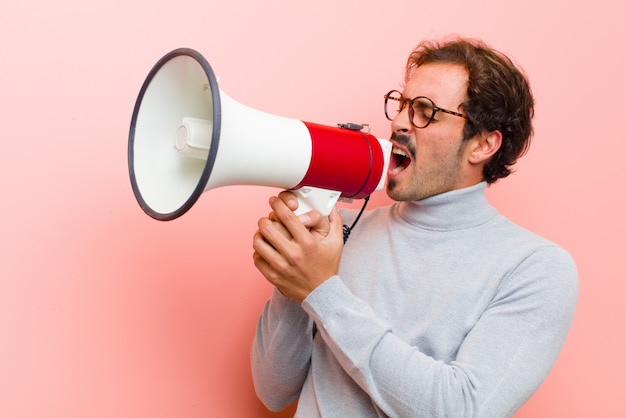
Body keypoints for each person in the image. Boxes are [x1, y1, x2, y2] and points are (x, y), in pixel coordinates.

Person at [250, 36, 578, 417]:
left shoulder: (536, 268)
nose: (400, 122)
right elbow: (273, 389)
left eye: (426, 111)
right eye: (402, 104)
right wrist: (293, 280)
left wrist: (322, 291)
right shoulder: (340, 230)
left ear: (483, 145)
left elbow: (461, 409)